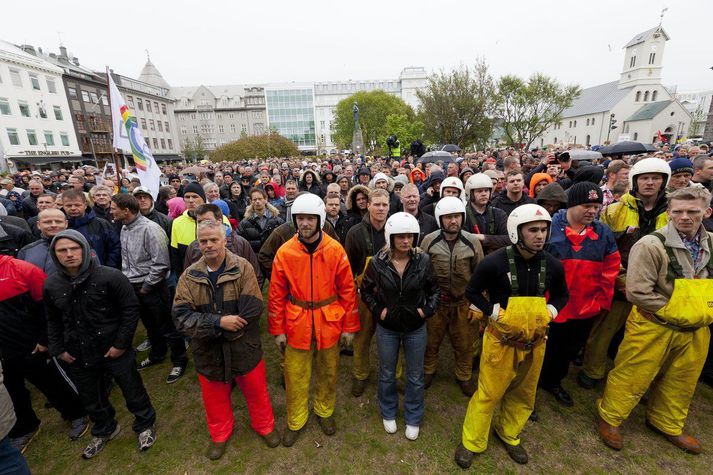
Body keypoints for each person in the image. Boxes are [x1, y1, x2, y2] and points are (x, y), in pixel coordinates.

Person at [597, 186, 713, 454]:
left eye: (692, 211)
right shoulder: (651, 245)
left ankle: (667, 422)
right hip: (653, 325)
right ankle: (610, 417)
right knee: (632, 373)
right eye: (678, 211)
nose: (684, 216)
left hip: (697, 329)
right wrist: (677, 311)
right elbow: (638, 291)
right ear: (669, 213)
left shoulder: (711, 245)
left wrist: (701, 311)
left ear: (706, 212)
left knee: (682, 379)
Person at [455, 204, 568, 467]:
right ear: (517, 232)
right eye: (533, 230)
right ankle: (472, 440)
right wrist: (490, 312)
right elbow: (471, 292)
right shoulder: (494, 262)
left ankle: (509, 432)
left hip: (536, 342)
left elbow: (563, 295)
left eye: (543, 230)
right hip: (500, 341)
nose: (540, 235)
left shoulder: (552, 265)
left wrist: (551, 310)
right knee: (488, 392)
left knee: (524, 394)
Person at [44, 230, 157, 459]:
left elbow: (130, 310)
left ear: (84, 249)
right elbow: (52, 319)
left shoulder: (110, 276)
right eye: (62, 250)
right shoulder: (52, 284)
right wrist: (58, 349)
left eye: (74, 248)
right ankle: (104, 428)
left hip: (114, 348)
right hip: (77, 352)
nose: (69, 254)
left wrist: (122, 344)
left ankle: (145, 424)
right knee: (90, 397)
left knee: (131, 389)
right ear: (54, 254)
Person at [173, 220, 278, 460]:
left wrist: (209, 325)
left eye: (213, 240)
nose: (208, 245)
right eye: (203, 241)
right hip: (208, 353)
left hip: (244, 348)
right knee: (214, 399)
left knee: (256, 392)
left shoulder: (242, 268)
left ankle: (265, 427)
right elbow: (181, 318)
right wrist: (219, 323)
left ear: (224, 240)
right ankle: (220, 435)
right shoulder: (189, 276)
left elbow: (252, 309)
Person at [268, 194, 359, 446]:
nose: (305, 223)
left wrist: (349, 327)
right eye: (300, 218)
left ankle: (324, 411)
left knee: (329, 372)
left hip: (329, 321)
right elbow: (276, 294)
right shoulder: (285, 252)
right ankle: (296, 420)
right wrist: (278, 331)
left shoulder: (335, 250)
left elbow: (348, 290)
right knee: (295, 375)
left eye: (310, 218)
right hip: (296, 323)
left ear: (319, 220)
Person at [579, 157, 670, 389]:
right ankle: (593, 370)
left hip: (657, 289)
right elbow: (603, 248)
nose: (649, 183)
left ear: (663, 181)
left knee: (648, 339)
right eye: (644, 178)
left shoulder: (674, 213)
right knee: (602, 333)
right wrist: (621, 280)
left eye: (655, 178)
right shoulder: (614, 211)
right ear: (634, 181)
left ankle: (639, 381)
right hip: (619, 283)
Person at [538, 183, 620, 407]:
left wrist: (602, 301)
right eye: (587, 205)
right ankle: (530, 386)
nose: (592, 211)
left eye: (596, 206)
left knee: (568, 350)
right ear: (573, 204)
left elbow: (611, 267)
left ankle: (554, 381)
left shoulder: (603, 233)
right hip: (551, 306)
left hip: (585, 308)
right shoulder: (548, 228)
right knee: (541, 349)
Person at [361, 212, 439, 440]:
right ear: (391, 237)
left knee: (415, 376)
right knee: (387, 374)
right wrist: (379, 310)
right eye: (400, 237)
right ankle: (388, 411)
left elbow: (435, 290)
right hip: (388, 329)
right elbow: (365, 291)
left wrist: (425, 311)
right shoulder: (377, 262)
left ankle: (413, 416)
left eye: (410, 236)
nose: (406, 241)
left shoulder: (423, 261)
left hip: (416, 328)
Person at [0, 255, 88, 454]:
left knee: (51, 381)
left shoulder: (21, 269)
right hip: (4, 352)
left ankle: (76, 413)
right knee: (12, 390)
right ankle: (26, 426)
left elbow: (49, 309)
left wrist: (44, 340)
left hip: (31, 345)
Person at [110, 193, 188, 383]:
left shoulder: (151, 229)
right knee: (150, 325)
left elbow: (161, 263)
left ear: (126, 210)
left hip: (152, 287)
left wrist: (146, 287)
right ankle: (157, 354)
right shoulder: (124, 227)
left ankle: (179, 360)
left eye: (114, 207)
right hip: (133, 286)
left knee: (167, 325)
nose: (111, 211)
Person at [420, 197, 484, 396]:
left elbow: (480, 275)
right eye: (448, 217)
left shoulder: (472, 241)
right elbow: (421, 272)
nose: (453, 221)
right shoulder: (429, 240)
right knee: (431, 341)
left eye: (457, 216)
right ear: (440, 219)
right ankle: (428, 370)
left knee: (464, 344)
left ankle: (464, 376)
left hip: (463, 303)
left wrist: (479, 304)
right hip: (436, 303)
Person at [345, 188, 389, 397]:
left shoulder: (395, 228)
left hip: (390, 295)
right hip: (364, 296)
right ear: (368, 205)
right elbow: (348, 269)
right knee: (361, 339)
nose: (381, 209)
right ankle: (360, 375)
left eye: (385, 205)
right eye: (377, 204)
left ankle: (393, 375)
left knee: (392, 337)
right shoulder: (355, 233)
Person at [62, 188, 120, 268]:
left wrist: (109, 268)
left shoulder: (101, 224)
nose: (73, 208)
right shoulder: (59, 226)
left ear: (85, 205)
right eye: (69, 205)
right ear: (63, 206)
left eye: (77, 205)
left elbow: (114, 247)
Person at [463, 173, 509, 254]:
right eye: (479, 191)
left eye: (486, 190)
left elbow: (508, 240)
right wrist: (494, 241)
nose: (484, 194)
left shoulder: (499, 214)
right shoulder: (463, 215)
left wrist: (483, 238)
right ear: (470, 193)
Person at [237, 188, 284, 254]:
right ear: (251, 201)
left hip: (272, 259)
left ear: (265, 199)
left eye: (260, 199)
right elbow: (239, 244)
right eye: (255, 199)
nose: (257, 201)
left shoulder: (277, 221)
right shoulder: (244, 223)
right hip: (253, 259)